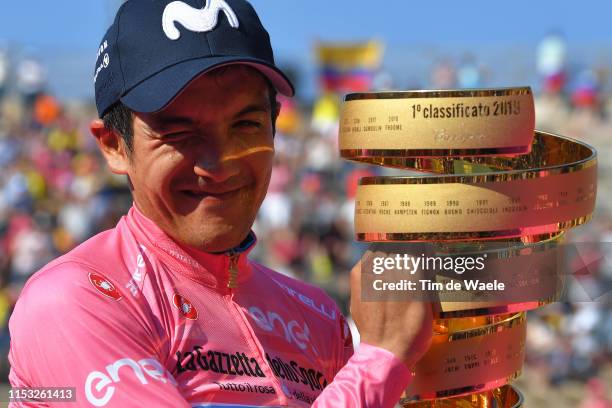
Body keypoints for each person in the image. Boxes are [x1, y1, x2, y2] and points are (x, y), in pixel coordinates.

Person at [8, 0, 432, 406]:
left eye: (245, 125)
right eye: (179, 133)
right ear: (115, 146)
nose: (219, 163)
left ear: (274, 130)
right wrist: (380, 359)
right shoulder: (76, 298)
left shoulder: (317, 315)